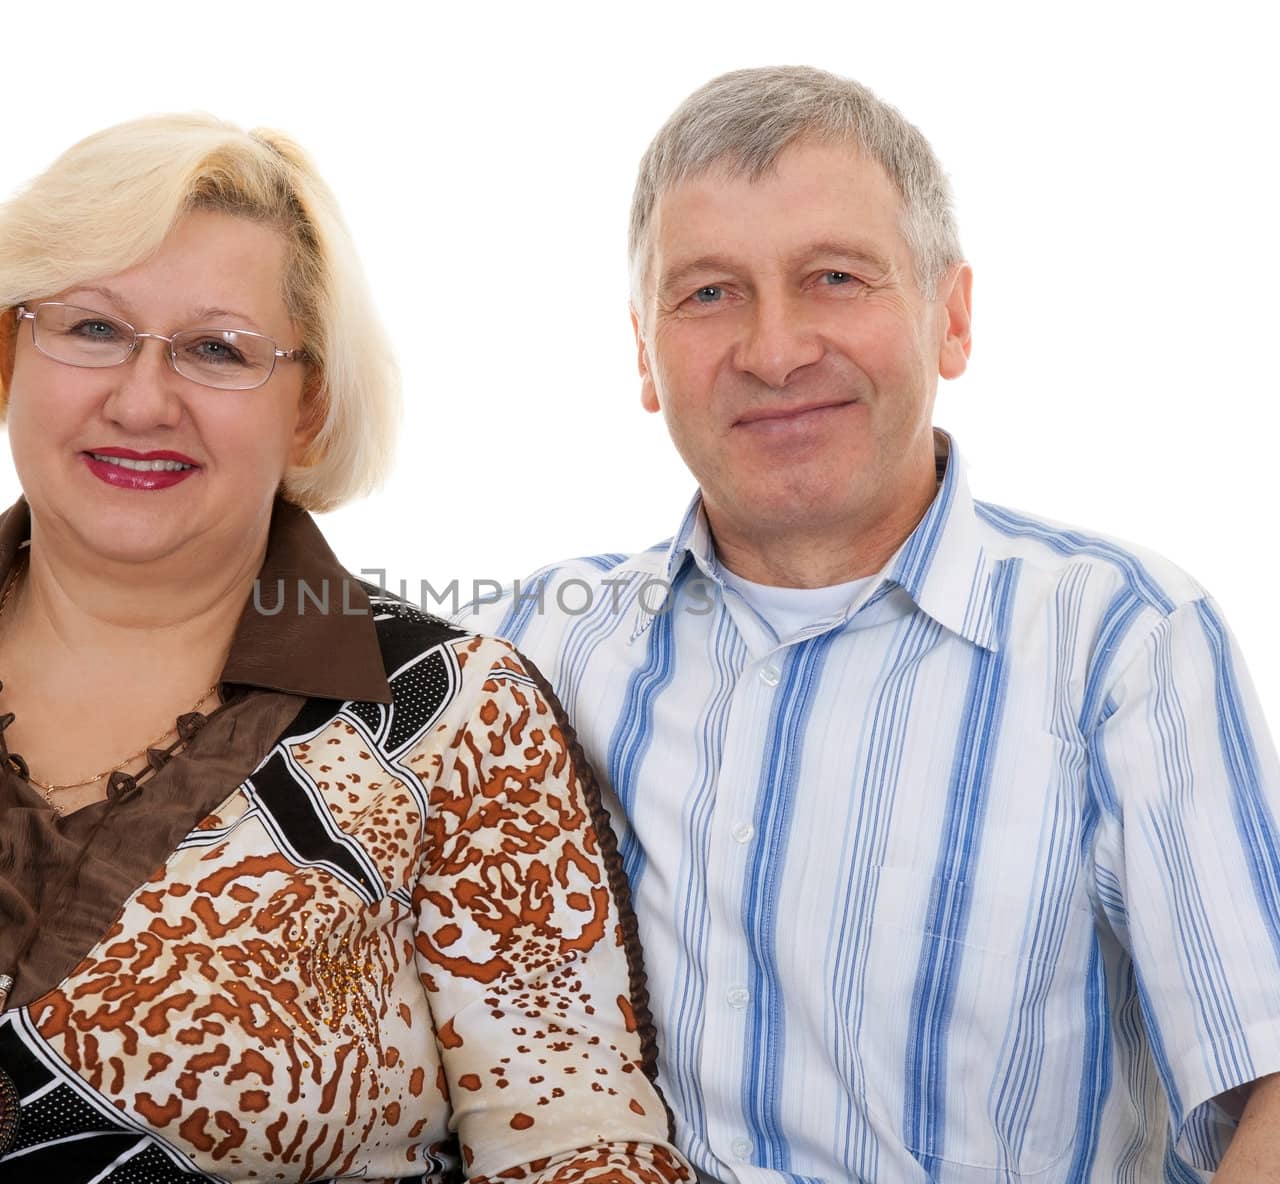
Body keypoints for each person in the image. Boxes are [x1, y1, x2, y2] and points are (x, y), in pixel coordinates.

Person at [0, 114, 693, 1184]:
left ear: (309, 407)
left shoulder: (451, 716)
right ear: (8, 350)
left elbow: (581, 1148)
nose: (140, 398)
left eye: (217, 349)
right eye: (91, 328)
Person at [457, 66, 1280, 1183]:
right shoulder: (531, 651)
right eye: (707, 293)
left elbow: (1267, 1085)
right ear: (642, 354)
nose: (776, 348)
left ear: (949, 316)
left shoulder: (1121, 641)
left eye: (834, 277)